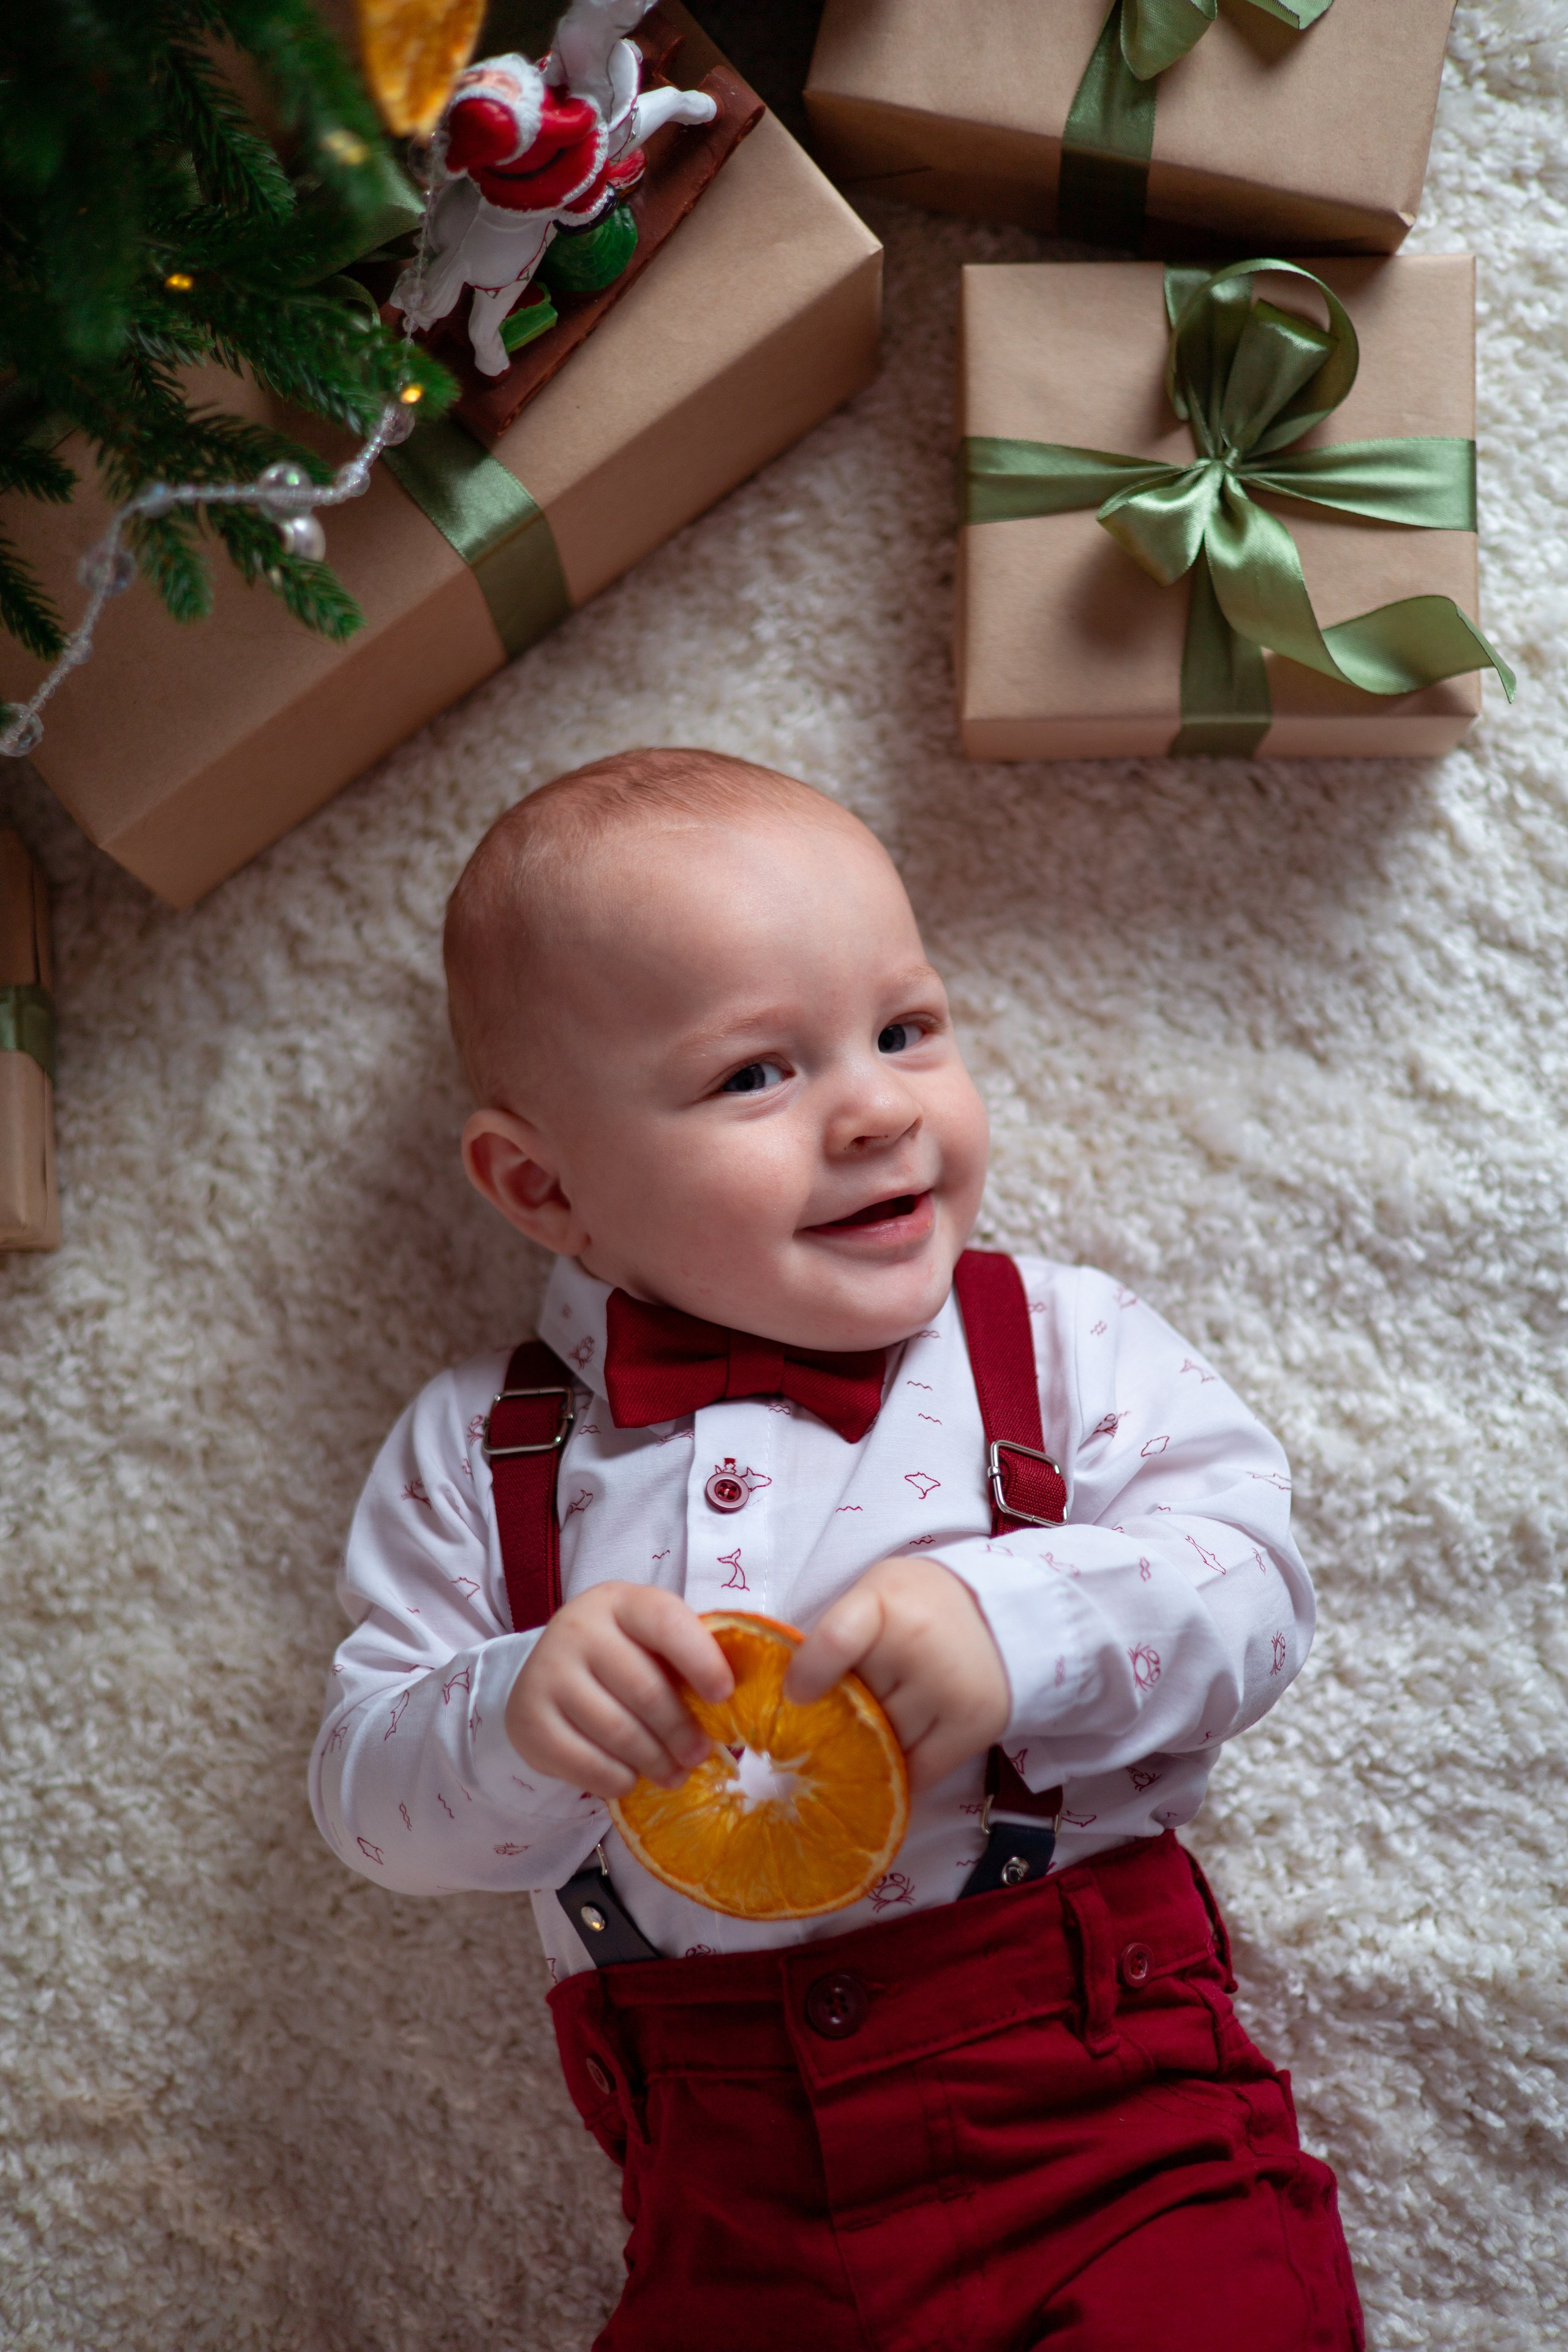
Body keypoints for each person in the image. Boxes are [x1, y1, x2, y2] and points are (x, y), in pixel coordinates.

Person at [309, 746, 1362, 2350]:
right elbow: (370, 1811)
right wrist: (523, 1715)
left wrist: (1012, 1621)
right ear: (541, 1185)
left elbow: (1259, 1592)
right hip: (731, 2209)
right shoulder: (482, 1445)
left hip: (1106, 2128)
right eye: (756, 1074)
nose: (876, 1106)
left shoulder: (1051, 1341)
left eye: (905, 1028)